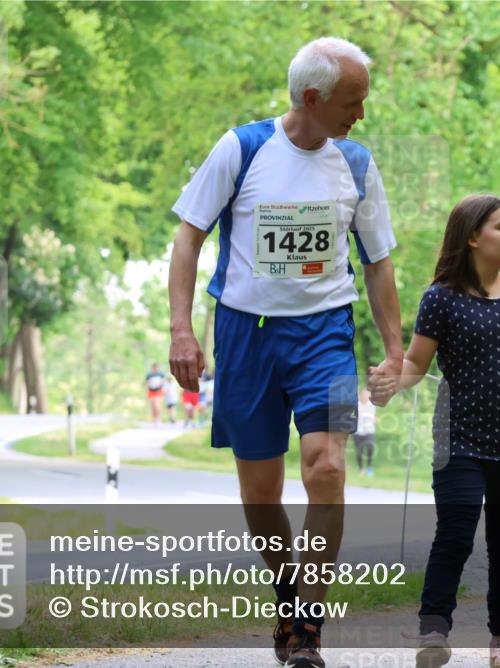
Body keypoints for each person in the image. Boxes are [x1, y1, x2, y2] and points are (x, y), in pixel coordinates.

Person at [167, 37, 403, 668]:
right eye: (353, 101)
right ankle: (288, 593)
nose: (361, 114)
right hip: (247, 334)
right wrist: (181, 330)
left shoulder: (356, 163)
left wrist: (394, 349)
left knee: (326, 469)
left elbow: (378, 264)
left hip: (325, 334)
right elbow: (188, 238)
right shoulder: (241, 148)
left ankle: (305, 625)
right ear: (311, 98)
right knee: (262, 491)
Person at [370, 194, 500, 668]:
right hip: (460, 440)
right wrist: (391, 383)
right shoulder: (441, 297)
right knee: (455, 534)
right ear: (474, 237)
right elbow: (417, 363)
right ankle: (434, 631)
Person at [352, 389, 376, 476]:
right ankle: (361, 468)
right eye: (364, 395)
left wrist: (375, 419)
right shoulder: (355, 405)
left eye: (367, 395)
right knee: (359, 451)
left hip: (369, 431)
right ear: (360, 396)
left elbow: (373, 416)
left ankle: (369, 467)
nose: (365, 397)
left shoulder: (372, 405)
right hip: (358, 431)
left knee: (370, 448)